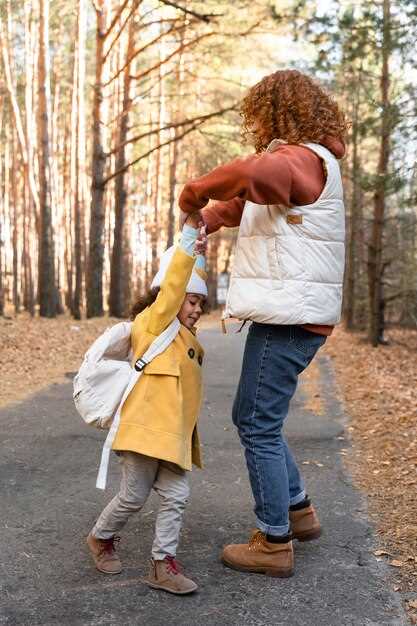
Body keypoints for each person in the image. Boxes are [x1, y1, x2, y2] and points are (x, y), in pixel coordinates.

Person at [178, 69, 348, 578]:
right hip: (294, 315)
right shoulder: (306, 162)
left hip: (288, 319)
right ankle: (299, 512)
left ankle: (274, 543)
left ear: (275, 112)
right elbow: (245, 201)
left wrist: (194, 192)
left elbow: (253, 176)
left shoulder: (298, 158)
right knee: (257, 417)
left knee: (256, 423)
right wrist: (206, 219)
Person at [86, 217, 208, 595]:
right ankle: (99, 538)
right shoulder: (152, 324)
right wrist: (188, 237)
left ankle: (162, 565)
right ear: (169, 298)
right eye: (192, 300)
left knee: (177, 495)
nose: (198, 308)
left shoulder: (188, 343)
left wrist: (198, 250)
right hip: (142, 433)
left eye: (202, 302)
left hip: (171, 439)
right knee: (133, 497)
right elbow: (171, 288)